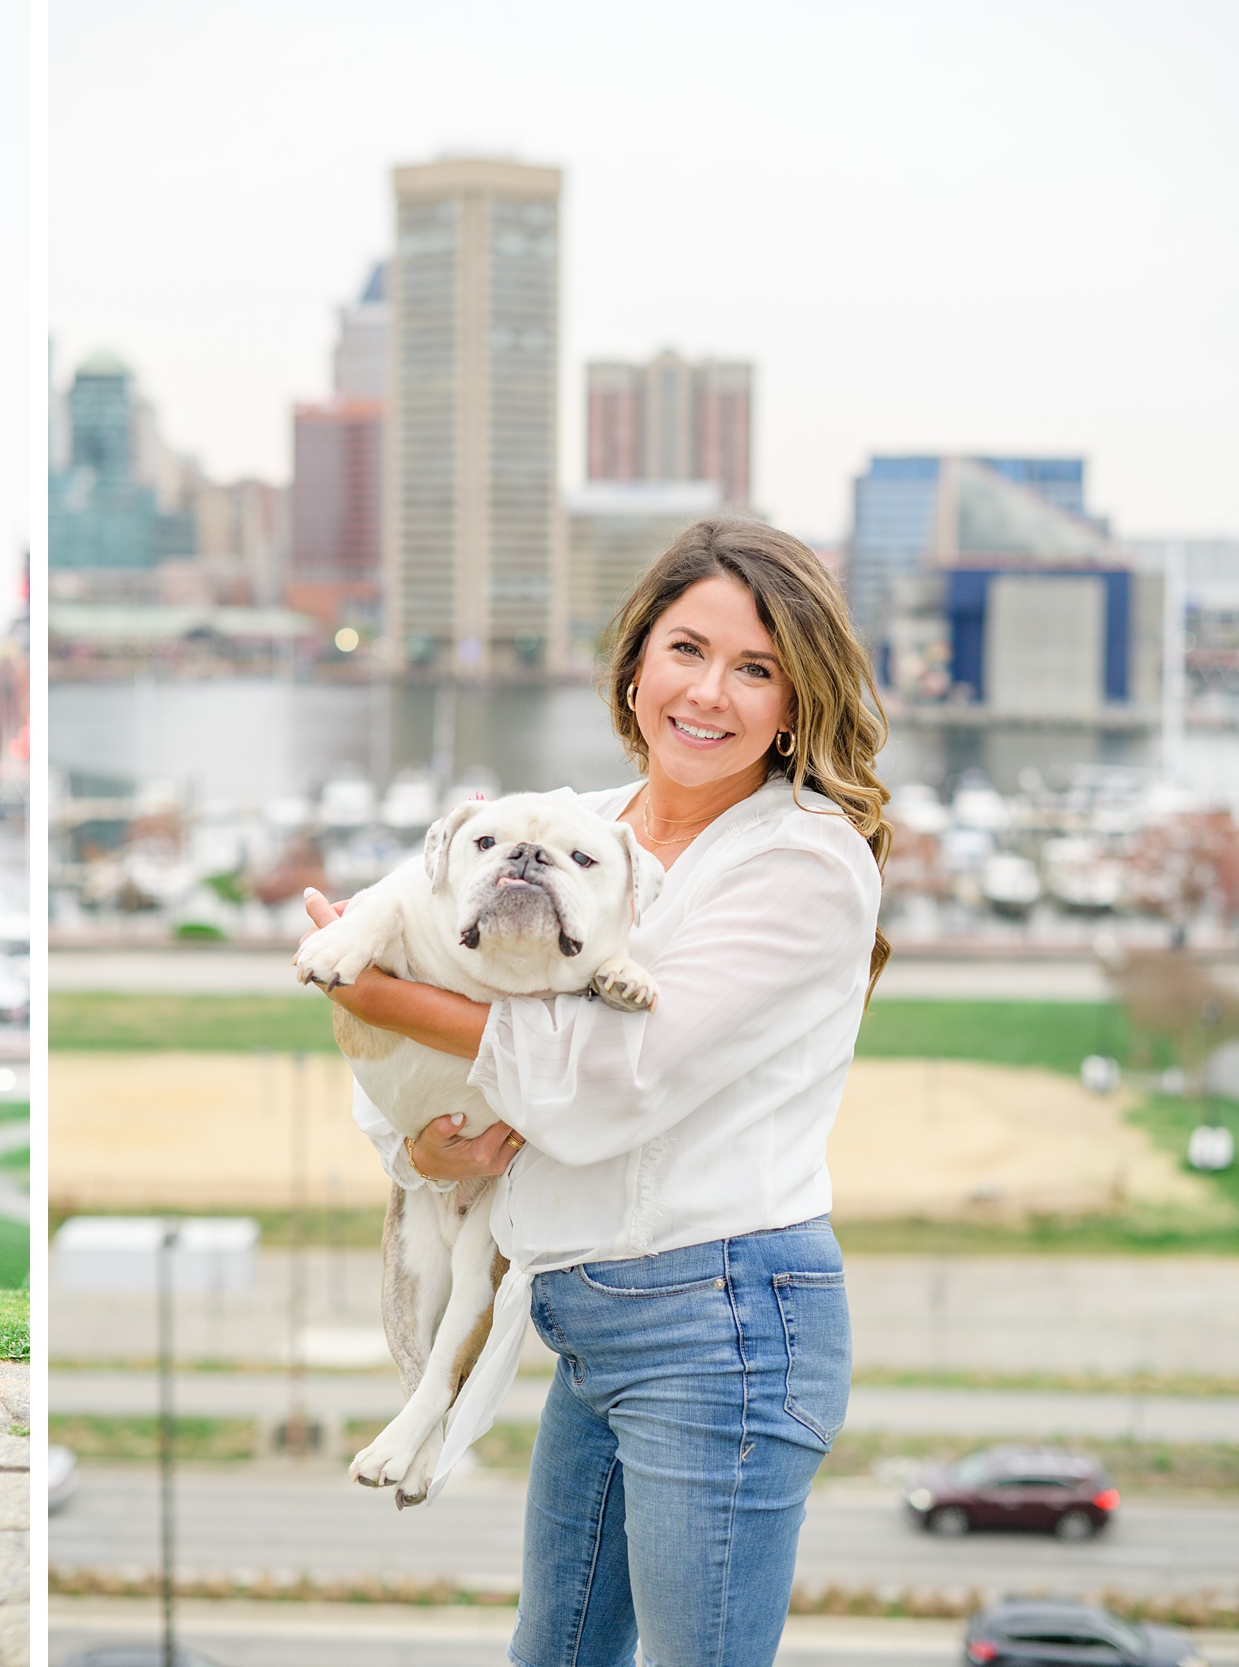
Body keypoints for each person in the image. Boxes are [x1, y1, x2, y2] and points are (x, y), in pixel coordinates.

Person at [305, 517, 887, 1664]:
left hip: (720, 1320)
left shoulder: (805, 864)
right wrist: (420, 1148)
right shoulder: (573, 827)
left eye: (755, 668)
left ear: (797, 698)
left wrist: (391, 1000)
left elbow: (620, 1078)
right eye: (686, 648)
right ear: (635, 665)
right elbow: (409, 1036)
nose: (709, 691)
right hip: (586, 1314)